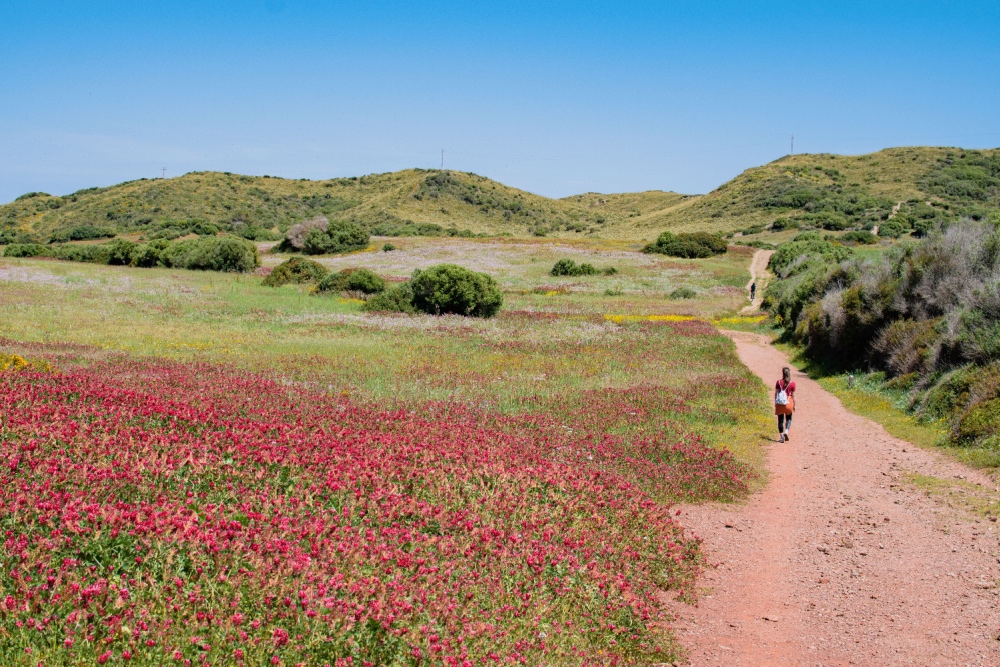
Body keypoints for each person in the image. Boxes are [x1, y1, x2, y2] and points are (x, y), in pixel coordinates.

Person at [774, 366, 795, 442]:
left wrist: (775, 402)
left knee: (780, 420)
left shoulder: (778, 382)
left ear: (782, 373)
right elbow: (793, 395)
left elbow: (776, 393)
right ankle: (786, 431)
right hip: (788, 403)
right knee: (789, 418)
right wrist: (794, 405)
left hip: (780, 403)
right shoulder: (792, 383)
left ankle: (781, 437)